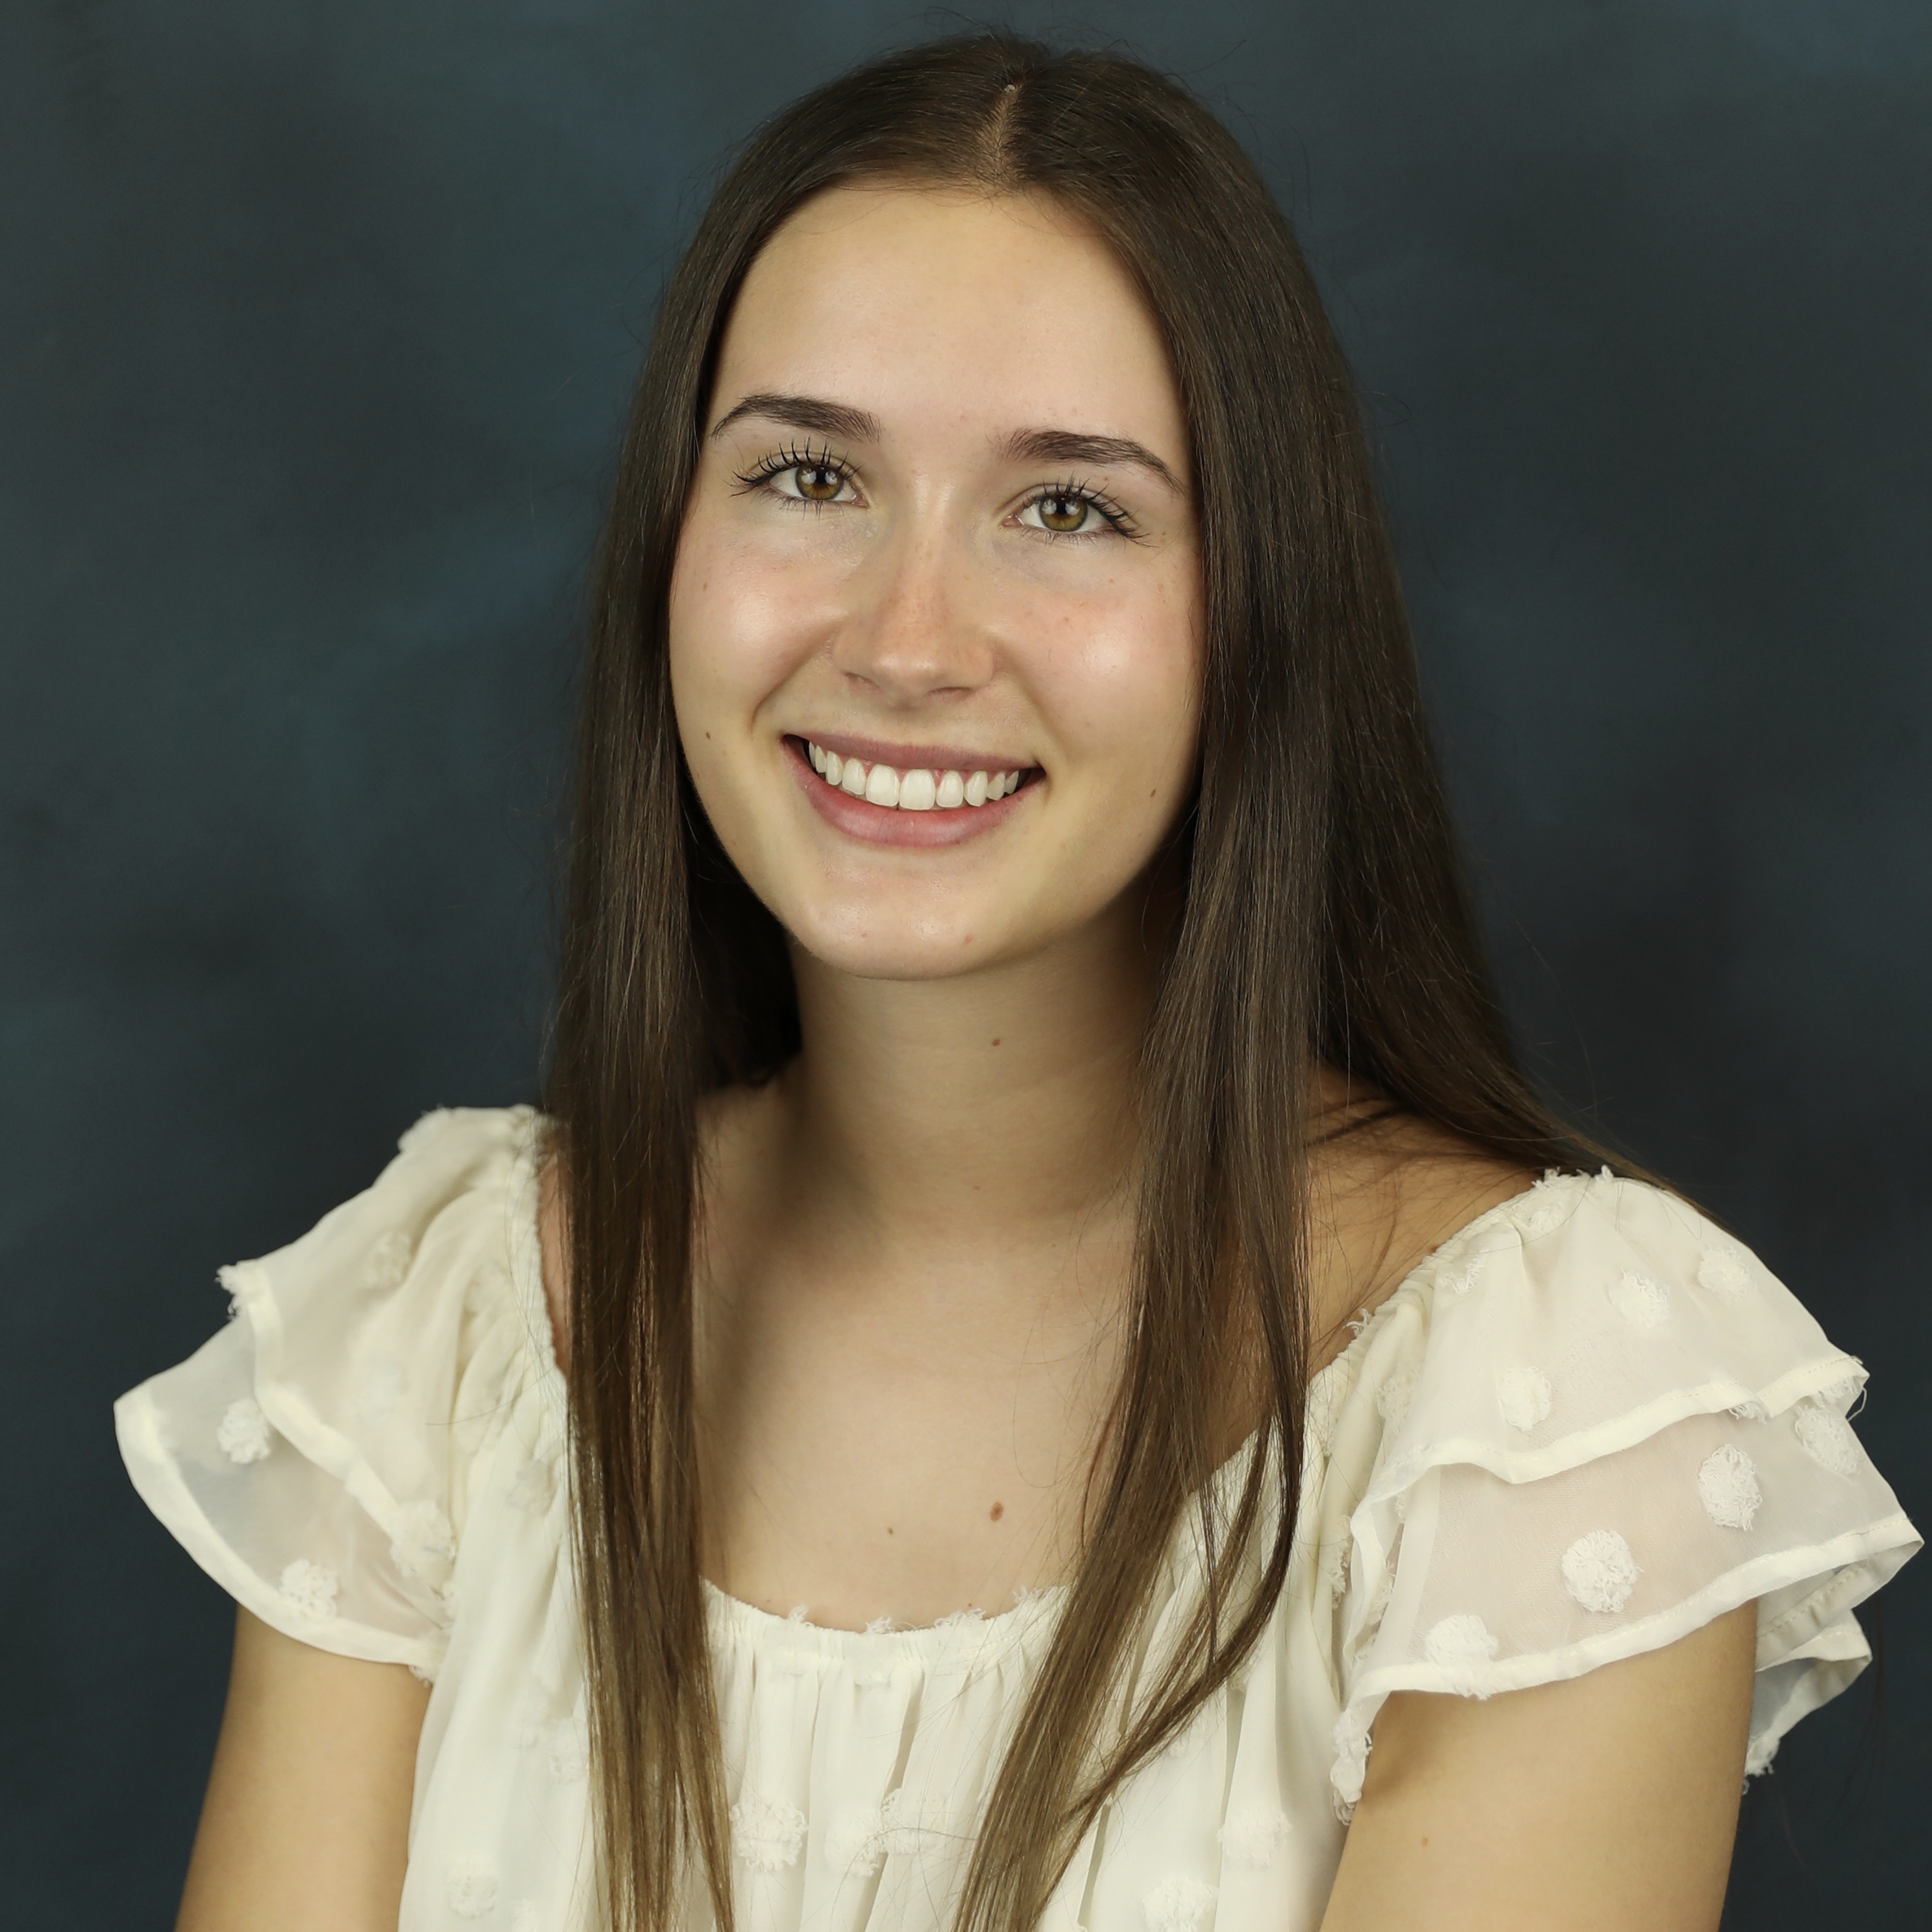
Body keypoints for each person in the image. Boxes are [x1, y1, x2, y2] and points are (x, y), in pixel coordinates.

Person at [116, 34, 1918, 1932]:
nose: (907, 643)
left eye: (1069, 507)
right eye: (809, 473)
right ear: (669, 545)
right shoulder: (436, 1341)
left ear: (1259, 608)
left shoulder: (1552, 1406)